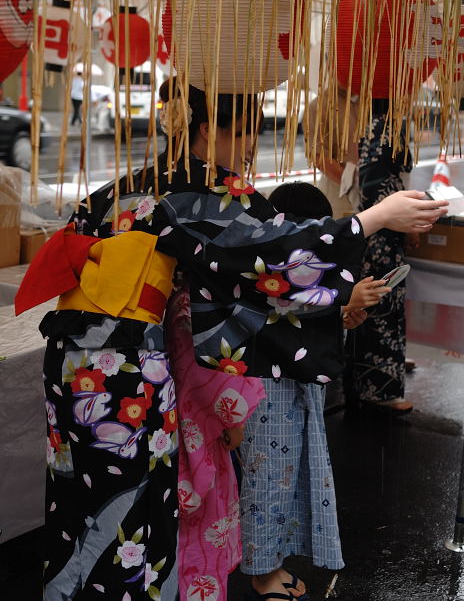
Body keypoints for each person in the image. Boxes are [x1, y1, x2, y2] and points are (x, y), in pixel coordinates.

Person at [15, 79, 447, 601]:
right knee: (135, 511)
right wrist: (373, 218)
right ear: (206, 130)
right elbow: (278, 256)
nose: (249, 145)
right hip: (126, 367)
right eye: (244, 132)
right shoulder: (201, 193)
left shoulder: (130, 185)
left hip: (70, 358)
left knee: (78, 501)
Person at [236, 181, 389, 601]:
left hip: (292, 383)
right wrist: (340, 301)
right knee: (266, 480)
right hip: (265, 384)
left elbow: (300, 311)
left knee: (288, 477)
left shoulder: (295, 264)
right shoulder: (268, 262)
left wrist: (341, 315)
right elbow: (276, 306)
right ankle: (263, 572)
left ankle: (273, 563)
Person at [344, 100, 420, 416]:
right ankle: (381, 388)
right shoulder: (386, 125)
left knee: (374, 302)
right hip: (384, 227)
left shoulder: (369, 122)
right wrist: (407, 221)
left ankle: (368, 381)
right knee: (382, 303)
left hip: (375, 223)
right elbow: (384, 183)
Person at [304, 87, 360, 218]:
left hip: (370, 186)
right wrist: (352, 186)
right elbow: (319, 157)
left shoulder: (370, 101)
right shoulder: (319, 105)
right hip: (339, 191)